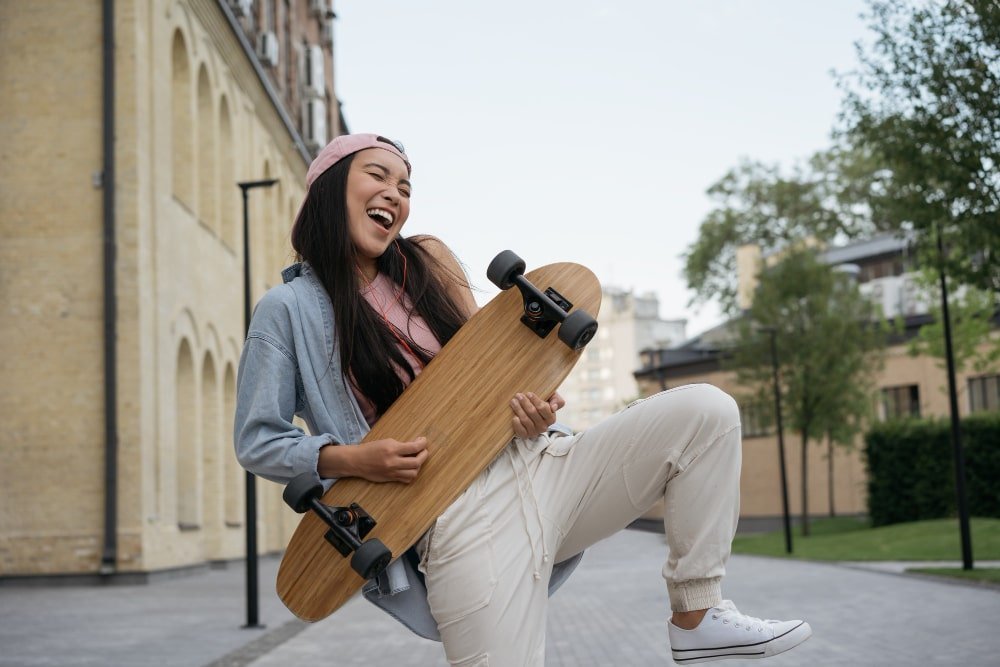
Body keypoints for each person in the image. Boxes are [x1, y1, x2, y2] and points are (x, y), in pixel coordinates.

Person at [234, 133, 812, 666]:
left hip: (540, 468)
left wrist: (531, 413)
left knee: (705, 413)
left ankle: (696, 615)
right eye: (378, 176)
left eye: (406, 187)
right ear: (330, 187)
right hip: (454, 523)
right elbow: (257, 439)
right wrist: (355, 459)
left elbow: (490, 379)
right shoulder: (287, 311)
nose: (395, 194)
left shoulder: (426, 268)